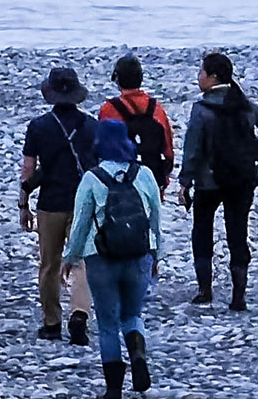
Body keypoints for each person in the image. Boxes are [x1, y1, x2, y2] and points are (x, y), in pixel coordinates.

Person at [63, 120, 164, 399]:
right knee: (132, 314)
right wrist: (156, 253)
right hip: (139, 254)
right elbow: (155, 217)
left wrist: (70, 257)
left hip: (101, 257)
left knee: (107, 322)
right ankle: (137, 352)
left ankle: (113, 389)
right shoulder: (144, 174)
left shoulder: (92, 178)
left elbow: (81, 223)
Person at [179, 51, 258, 308]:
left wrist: (185, 181)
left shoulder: (201, 109)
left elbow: (192, 149)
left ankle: (205, 290)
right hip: (241, 179)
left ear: (213, 77)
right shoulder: (243, 103)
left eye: (201, 72)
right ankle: (239, 296)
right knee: (237, 232)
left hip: (208, 181)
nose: (198, 76)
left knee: (202, 230)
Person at [19, 67, 97, 344]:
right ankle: (79, 314)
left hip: (50, 202)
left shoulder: (38, 126)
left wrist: (23, 203)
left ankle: (51, 322)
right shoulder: (91, 126)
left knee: (49, 265)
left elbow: (29, 168)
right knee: (82, 262)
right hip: (82, 202)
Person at [99, 54, 175, 198]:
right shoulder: (156, 108)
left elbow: (102, 149)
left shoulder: (109, 109)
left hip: (119, 179)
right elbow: (168, 149)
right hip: (152, 176)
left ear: (117, 79)